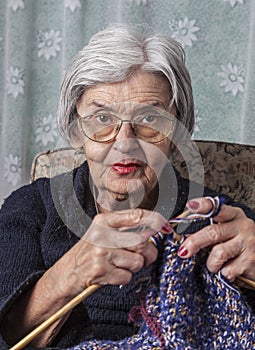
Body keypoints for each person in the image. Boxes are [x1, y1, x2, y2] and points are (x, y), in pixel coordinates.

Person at [0, 24, 255, 349]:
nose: (125, 143)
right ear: (76, 132)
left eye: (150, 120)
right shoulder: (32, 209)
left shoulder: (223, 224)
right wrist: (70, 275)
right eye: (102, 119)